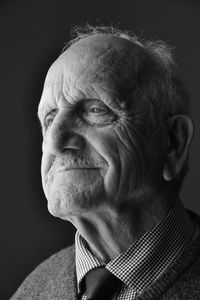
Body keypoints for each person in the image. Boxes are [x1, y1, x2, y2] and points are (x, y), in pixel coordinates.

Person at [11, 25, 200, 300]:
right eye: (49, 119)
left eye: (95, 110)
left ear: (172, 143)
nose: (54, 141)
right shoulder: (33, 290)